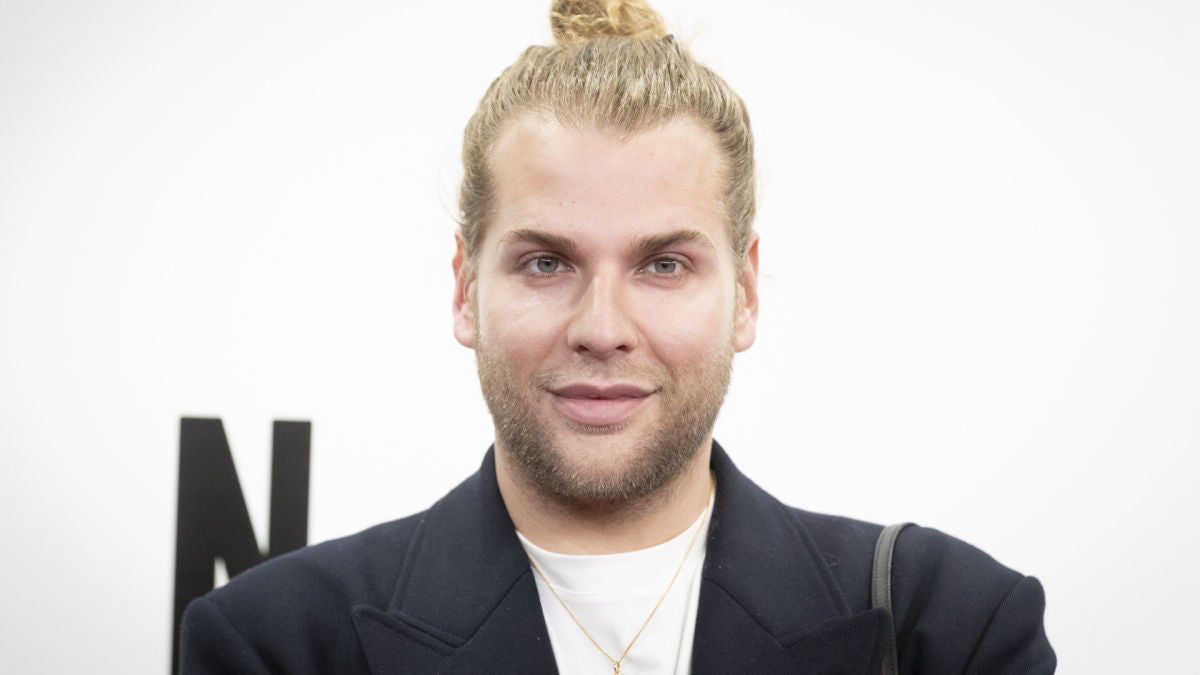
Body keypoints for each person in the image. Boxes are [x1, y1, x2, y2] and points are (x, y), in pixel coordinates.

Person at [179, 1, 1056, 672]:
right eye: (546, 263)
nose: (602, 329)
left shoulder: (949, 626)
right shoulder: (275, 643)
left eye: (664, 264)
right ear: (465, 290)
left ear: (746, 293)